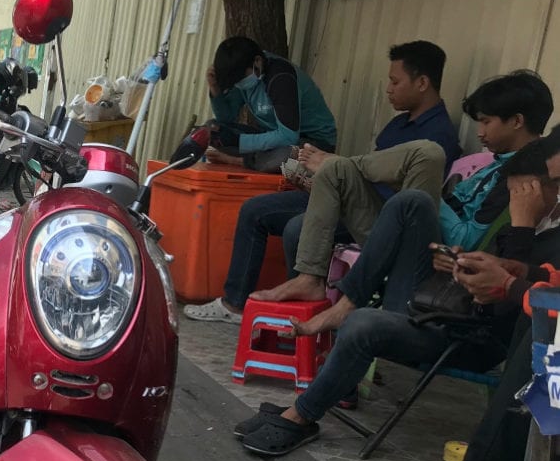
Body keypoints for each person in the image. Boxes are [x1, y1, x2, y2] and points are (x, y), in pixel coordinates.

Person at [237, 129, 560, 458]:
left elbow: (513, 311)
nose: (517, 198)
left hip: (468, 337)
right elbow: (498, 273)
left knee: (365, 324)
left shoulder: (537, 232)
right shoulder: (521, 225)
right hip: (441, 304)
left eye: (525, 190)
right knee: (412, 202)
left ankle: (301, 415)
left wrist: (522, 229)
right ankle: (347, 302)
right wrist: (462, 264)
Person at [185, 41, 460, 323]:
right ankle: (235, 305)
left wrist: (337, 170)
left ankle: (297, 309)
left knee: (296, 226)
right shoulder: (398, 125)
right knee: (255, 209)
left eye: (394, 81)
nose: (388, 89)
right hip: (346, 194)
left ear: (422, 82)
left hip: (376, 217)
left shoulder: (436, 138)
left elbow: (407, 200)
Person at [252, 70, 553, 311]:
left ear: (516, 122)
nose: (479, 132)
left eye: (486, 122)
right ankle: (309, 277)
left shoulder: (522, 178)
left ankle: (345, 162)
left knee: (429, 153)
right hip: (404, 229)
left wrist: (424, 188)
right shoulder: (492, 164)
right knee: (337, 174)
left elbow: (467, 240)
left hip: (434, 255)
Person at [203, 36, 337, 168]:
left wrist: (239, 141)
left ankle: (241, 161)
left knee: (288, 156)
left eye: (241, 79)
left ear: (257, 61)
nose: (239, 84)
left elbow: (288, 136)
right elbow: (226, 118)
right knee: (212, 130)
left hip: (312, 142)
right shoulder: (243, 75)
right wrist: (215, 89)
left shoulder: (281, 77)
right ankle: (256, 159)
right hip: (273, 136)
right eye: (235, 82)